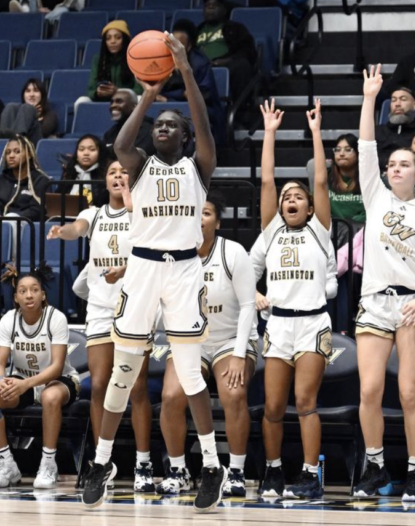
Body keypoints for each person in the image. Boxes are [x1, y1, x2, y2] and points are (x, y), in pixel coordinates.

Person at [81, 34, 223, 513]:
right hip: (141, 268)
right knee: (124, 371)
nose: (162, 128)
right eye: (158, 125)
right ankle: (101, 462)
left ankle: (210, 466)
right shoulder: (136, 166)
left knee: (188, 373)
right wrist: (147, 91)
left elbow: (203, 122)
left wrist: (184, 73)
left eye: (170, 125)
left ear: (183, 136)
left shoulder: (197, 167)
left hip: (184, 270)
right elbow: (121, 140)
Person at [352, 65, 415, 503]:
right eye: (391, 165)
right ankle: (374, 466)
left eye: (403, 164)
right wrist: (370, 98)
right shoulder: (376, 196)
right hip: (375, 302)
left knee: (409, 391)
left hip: (414, 305)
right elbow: (366, 146)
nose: (394, 169)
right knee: (369, 389)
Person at [48, 161, 155, 493]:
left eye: (124, 172)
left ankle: (143, 462)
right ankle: (101, 463)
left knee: (135, 389)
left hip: (134, 306)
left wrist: (124, 269)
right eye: (112, 172)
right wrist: (61, 231)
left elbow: (149, 250)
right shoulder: (94, 214)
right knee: (98, 386)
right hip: (99, 309)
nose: (118, 176)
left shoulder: (142, 212)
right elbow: (77, 228)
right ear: (105, 180)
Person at [255, 98, 331, 499]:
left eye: (297, 195)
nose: (290, 199)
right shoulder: (271, 232)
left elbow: (320, 179)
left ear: (310, 206)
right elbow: (267, 181)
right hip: (279, 324)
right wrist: (269, 133)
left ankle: (309, 475)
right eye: (287, 196)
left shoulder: (320, 229)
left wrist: (316, 133)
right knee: (271, 405)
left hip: (313, 322)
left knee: (304, 400)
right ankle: (272, 470)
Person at [158, 190, 256, 498]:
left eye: (206, 213)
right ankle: (178, 470)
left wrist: (240, 355)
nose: (199, 219)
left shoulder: (234, 252)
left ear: (217, 221)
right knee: (171, 394)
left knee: (233, 393)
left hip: (229, 340)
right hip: (190, 340)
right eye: (194, 213)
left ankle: (237, 472)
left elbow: (249, 306)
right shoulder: (171, 256)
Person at [0, 268, 79, 489]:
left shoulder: (56, 318)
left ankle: (48, 464)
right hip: (23, 380)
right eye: (23, 291)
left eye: (34, 290)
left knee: (50, 396)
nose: (29, 295)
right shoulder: (9, 320)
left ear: (43, 295)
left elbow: (56, 366)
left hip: (59, 380)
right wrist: (0, 382)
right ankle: (7, 466)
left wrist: (26, 384)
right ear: (16, 297)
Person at [162, 20, 225, 146]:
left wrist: (167, 99)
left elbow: (201, 94)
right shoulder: (163, 60)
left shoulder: (200, 63)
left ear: (189, 46)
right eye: (171, 43)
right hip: (171, 108)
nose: (174, 48)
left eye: (179, 44)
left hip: (201, 109)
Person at [197, 0, 257, 102]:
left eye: (215, 5)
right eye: (207, 5)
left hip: (226, 64)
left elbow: (248, 50)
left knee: (242, 66)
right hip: (199, 68)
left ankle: (242, 110)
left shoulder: (235, 28)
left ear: (224, 10)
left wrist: (226, 60)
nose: (210, 7)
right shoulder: (195, 31)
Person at [0, 134, 52, 221]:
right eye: (8, 152)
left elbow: (37, 210)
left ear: (29, 154)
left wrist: (9, 217)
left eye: (17, 151)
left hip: (25, 225)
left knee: (11, 217)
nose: (11, 156)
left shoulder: (40, 181)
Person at [82, 21, 141, 105]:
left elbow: (139, 90)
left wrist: (117, 91)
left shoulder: (135, 58)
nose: (112, 41)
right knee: (81, 101)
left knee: (140, 99)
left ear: (125, 40)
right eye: (108, 38)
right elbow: (91, 89)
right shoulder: (98, 59)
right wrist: (97, 92)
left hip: (127, 99)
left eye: (118, 37)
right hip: (103, 98)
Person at [0, 78, 58, 145]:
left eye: (36, 90)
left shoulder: (50, 114)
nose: (31, 94)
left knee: (27, 108)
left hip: (32, 145)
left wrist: (33, 114)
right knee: (10, 106)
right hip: (9, 144)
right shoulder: (15, 110)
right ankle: (2, 142)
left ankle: (16, 142)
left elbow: (44, 132)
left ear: (42, 95)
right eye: (28, 91)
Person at [376, 87, 415, 169]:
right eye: (393, 100)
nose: (397, 104)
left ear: (414, 105)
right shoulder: (377, 131)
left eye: (403, 99)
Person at [57, 135, 109, 206]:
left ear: (99, 153)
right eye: (81, 149)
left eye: (92, 149)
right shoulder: (69, 173)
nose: (86, 153)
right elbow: (57, 199)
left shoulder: (106, 175)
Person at [102, 89, 156, 157]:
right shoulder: (110, 132)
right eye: (112, 102)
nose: (113, 105)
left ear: (134, 107)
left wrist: (112, 150)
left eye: (119, 101)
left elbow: (134, 157)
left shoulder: (148, 130)